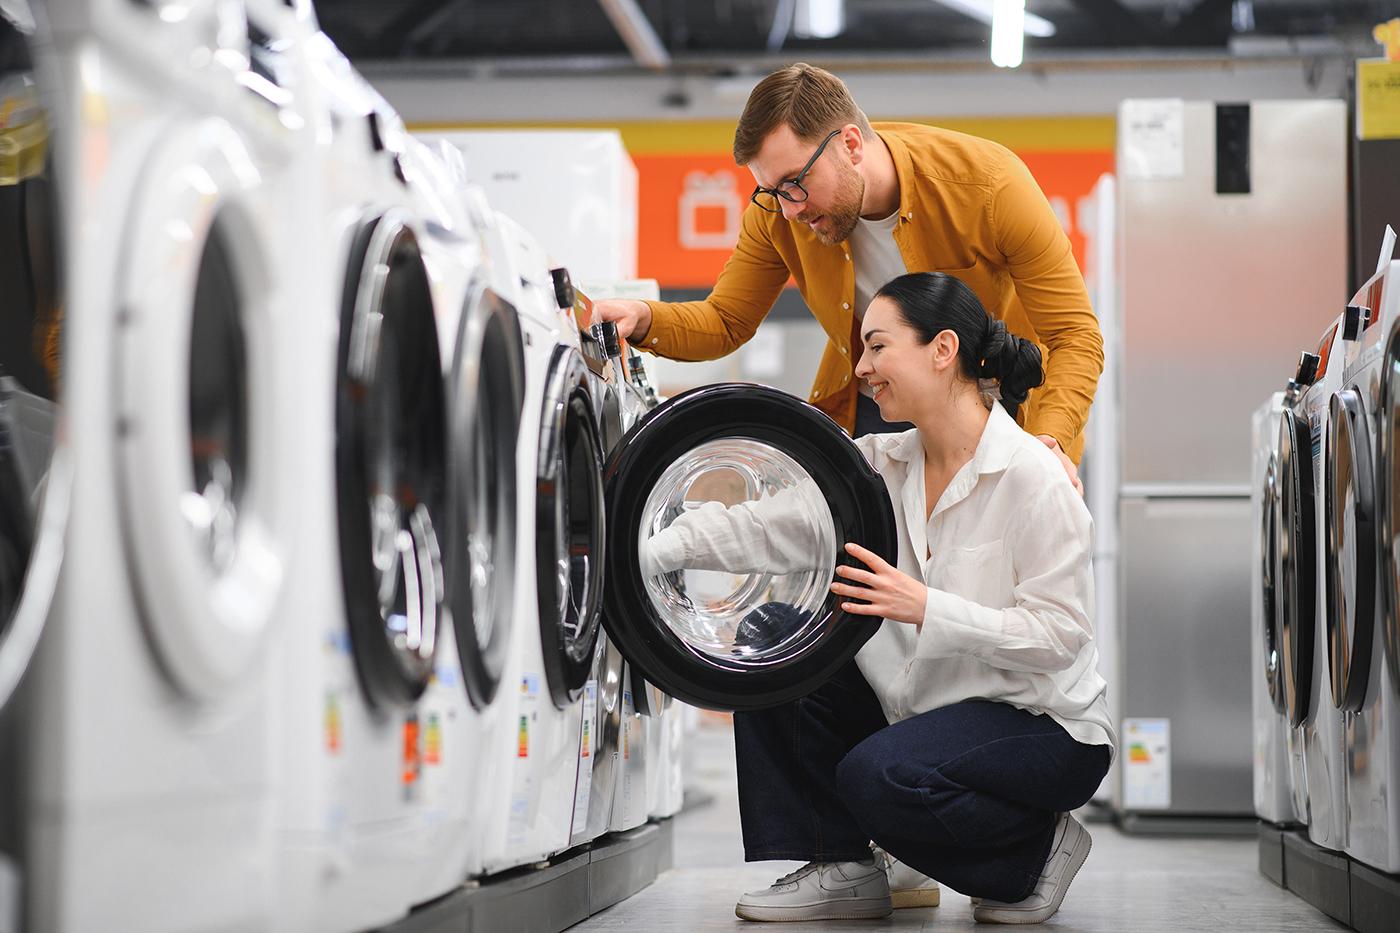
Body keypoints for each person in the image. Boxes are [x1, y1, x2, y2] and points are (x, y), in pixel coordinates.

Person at [640, 272, 1114, 924]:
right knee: (769, 635)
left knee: (877, 776)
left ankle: (1034, 853)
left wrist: (925, 605)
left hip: (1042, 725)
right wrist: (634, 551)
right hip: (926, 714)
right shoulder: (876, 467)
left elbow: (1060, 636)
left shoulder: (1032, 476)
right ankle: (843, 865)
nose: (860, 367)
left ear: (942, 349)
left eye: (877, 346)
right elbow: (758, 527)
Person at [592, 63, 1102, 493]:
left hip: (992, 408)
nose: (789, 210)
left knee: (987, 586)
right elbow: (725, 321)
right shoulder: (777, 215)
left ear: (851, 144)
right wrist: (641, 319)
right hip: (878, 406)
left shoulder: (988, 185)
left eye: (795, 183)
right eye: (772, 191)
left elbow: (1074, 335)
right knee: (869, 583)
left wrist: (1048, 443)